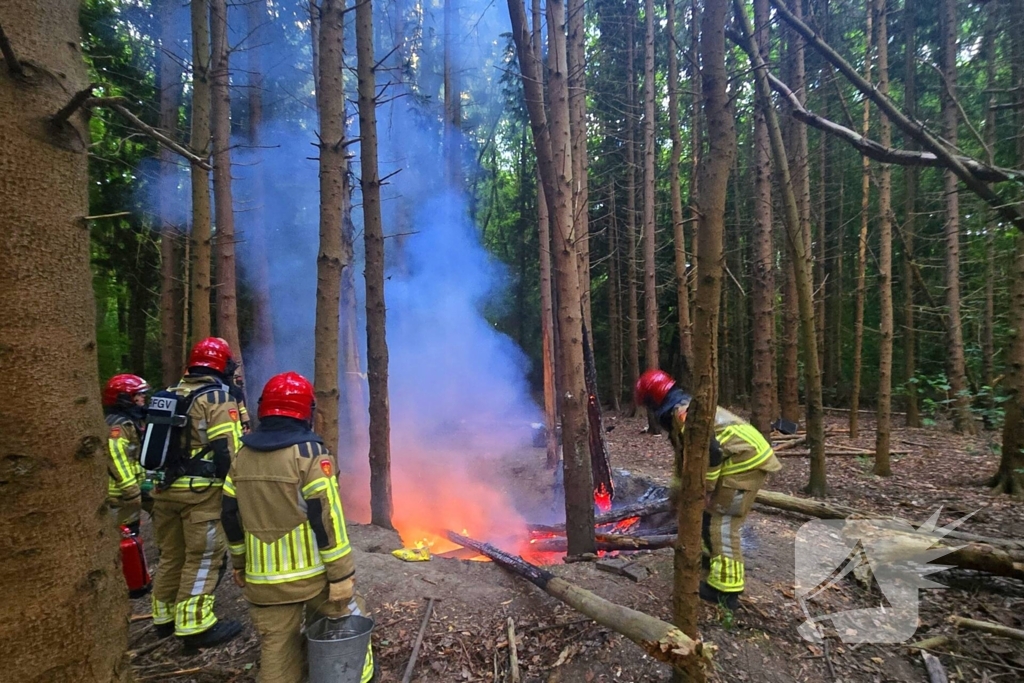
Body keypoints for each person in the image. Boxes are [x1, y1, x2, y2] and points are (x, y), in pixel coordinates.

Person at [222, 371, 374, 683]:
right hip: (313, 577)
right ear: (307, 411)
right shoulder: (309, 455)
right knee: (347, 622)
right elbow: (327, 520)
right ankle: (358, 677)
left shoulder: (242, 456)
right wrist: (342, 574)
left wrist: (239, 563)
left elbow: (228, 513)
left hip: (262, 581)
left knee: (277, 649)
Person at [635, 369, 781, 609]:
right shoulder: (680, 411)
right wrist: (676, 492)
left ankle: (726, 590)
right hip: (736, 457)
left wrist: (706, 489)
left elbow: (710, 455)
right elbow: (686, 458)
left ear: (654, 399)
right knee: (706, 516)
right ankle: (708, 559)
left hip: (745, 461)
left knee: (721, 521)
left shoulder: (683, 414)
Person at [150, 337, 244, 648]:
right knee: (204, 556)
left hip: (163, 490)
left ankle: (163, 617)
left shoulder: (169, 393)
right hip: (200, 493)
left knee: (171, 554)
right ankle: (194, 625)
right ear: (221, 365)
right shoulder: (216, 397)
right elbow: (228, 449)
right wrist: (239, 490)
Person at [102, 374, 150, 533]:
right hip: (120, 494)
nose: (143, 397)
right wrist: (131, 490)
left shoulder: (131, 420)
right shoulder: (118, 424)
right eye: (138, 394)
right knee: (123, 535)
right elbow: (116, 457)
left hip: (132, 490)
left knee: (133, 531)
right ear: (124, 398)